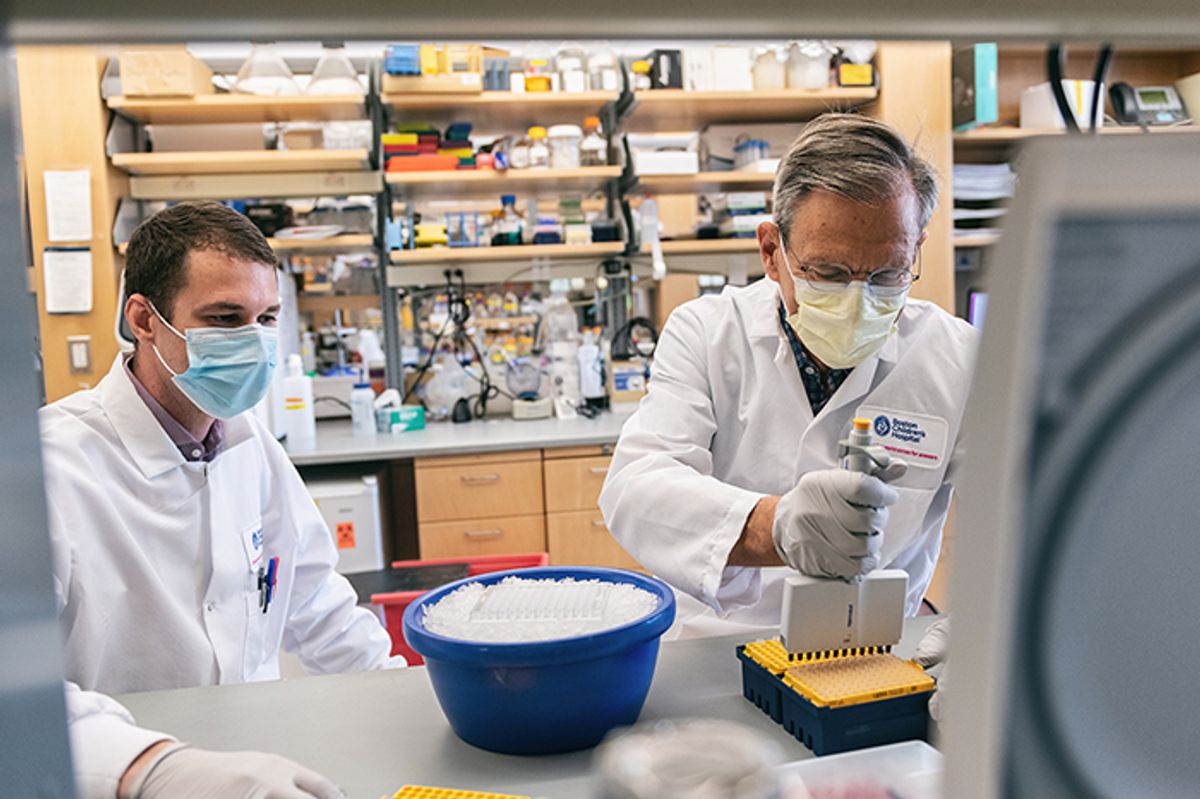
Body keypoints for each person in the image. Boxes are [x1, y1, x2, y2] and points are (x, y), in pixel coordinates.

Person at [41, 202, 404, 799]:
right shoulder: (50, 468)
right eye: (225, 317)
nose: (254, 342)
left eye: (266, 319)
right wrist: (150, 768)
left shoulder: (247, 442)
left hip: (258, 769)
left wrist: (402, 699)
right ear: (144, 319)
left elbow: (315, 603)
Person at [599, 114, 977, 639]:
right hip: (720, 648)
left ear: (916, 249)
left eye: (889, 273)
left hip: (881, 651)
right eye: (830, 273)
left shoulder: (958, 357)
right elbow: (635, 488)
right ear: (772, 252)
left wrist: (987, 640)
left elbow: (1033, 511)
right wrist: (775, 526)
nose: (858, 301)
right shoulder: (708, 333)